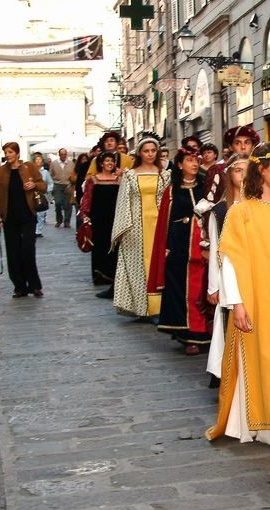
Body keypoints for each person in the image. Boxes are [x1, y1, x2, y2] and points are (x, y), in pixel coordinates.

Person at [207, 142, 270, 444]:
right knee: (265, 362)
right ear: (262, 169)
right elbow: (229, 261)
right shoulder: (240, 212)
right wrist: (238, 305)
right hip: (257, 299)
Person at [148, 148, 212, 355]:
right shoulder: (172, 191)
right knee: (181, 290)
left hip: (202, 245)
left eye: (197, 160)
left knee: (202, 288)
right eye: (189, 160)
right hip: (179, 246)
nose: (194, 164)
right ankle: (188, 335)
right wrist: (166, 248)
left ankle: (205, 332)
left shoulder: (206, 188)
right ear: (180, 165)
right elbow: (165, 222)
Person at [111, 134, 171, 318]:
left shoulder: (165, 175)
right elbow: (123, 202)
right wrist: (123, 229)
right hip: (136, 225)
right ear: (140, 153)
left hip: (161, 224)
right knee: (138, 265)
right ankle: (142, 307)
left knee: (160, 262)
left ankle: (159, 307)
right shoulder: (130, 175)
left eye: (153, 150)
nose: (150, 154)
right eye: (146, 151)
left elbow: (169, 200)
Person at [205, 153, 248, 387]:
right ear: (229, 175)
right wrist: (214, 286)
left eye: (247, 169)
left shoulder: (263, 206)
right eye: (238, 170)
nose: (243, 175)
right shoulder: (221, 211)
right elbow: (215, 252)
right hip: (229, 280)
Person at [0, 142, 45, 297]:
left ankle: (34, 285)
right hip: (10, 216)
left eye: (10, 152)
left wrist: (34, 184)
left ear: (17, 153)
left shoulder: (29, 167)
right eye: (6, 152)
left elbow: (43, 186)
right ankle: (19, 286)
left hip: (28, 215)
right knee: (13, 252)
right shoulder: (0, 171)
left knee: (28, 250)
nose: (7, 155)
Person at [196, 124, 260, 249]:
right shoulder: (218, 170)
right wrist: (210, 239)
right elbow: (210, 204)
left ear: (253, 145)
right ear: (230, 146)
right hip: (226, 225)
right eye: (238, 143)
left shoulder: (260, 169)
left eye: (247, 142)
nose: (243, 146)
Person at [78, 152, 121, 296]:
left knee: (113, 245)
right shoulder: (93, 180)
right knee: (99, 244)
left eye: (112, 160)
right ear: (101, 163)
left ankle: (113, 274)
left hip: (115, 216)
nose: (110, 163)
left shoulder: (119, 179)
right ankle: (99, 274)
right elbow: (87, 197)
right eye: (107, 160)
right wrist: (85, 214)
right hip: (98, 217)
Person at [50, 148, 75, 228]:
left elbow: (73, 174)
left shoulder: (71, 163)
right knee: (57, 203)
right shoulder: (54, 163)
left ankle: (67, 221)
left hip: (68, 185)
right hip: (58, 185)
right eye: (62, 154)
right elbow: (51, 173)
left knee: (68, 204)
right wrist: (55, 180)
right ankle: (59, 220)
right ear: (59, 155)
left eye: (65, 154)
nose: (63, 156)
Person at [31, 153, 52, 236]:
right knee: (33, 212)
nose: (38, 161)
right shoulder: (30, 171)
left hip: (41, 194)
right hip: (32, 194)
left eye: (40, 159)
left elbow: (50, 183)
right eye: (37, 159)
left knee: (41, 213)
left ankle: (38, 230)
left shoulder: (45, 172)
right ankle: (33, 228)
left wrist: (47, 190)